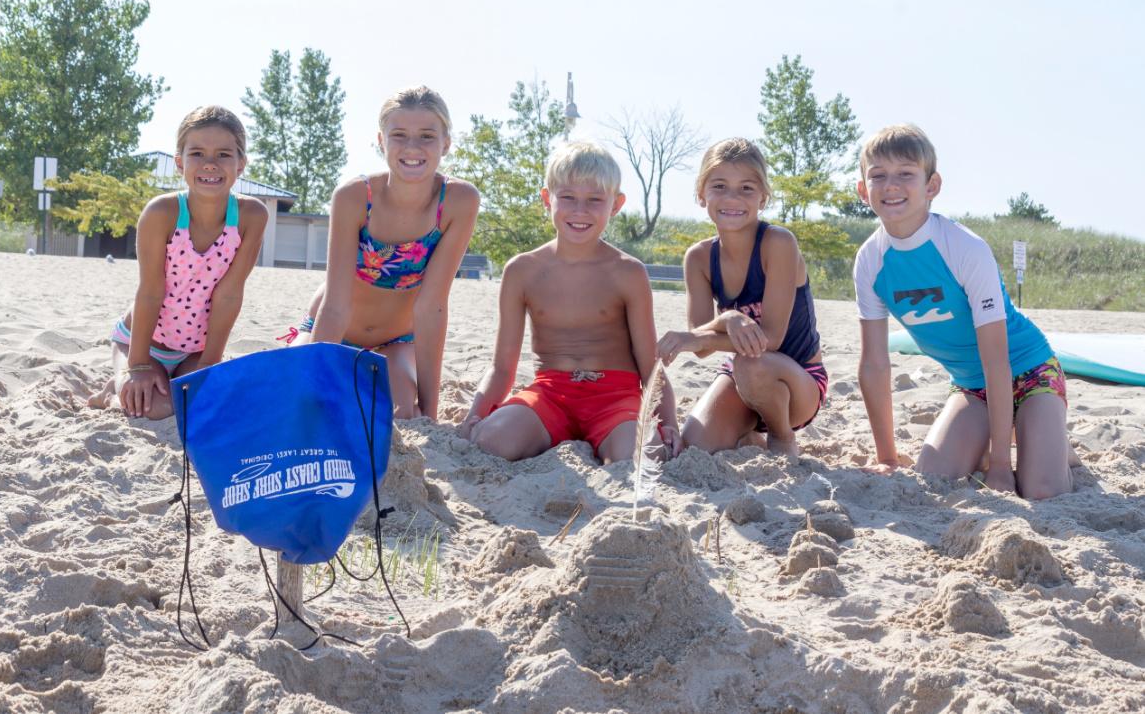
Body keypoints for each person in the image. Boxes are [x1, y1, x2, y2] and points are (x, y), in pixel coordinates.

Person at [853, 124, 1071, 499]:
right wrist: (887, 456)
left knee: (1041, 490)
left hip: (1030, 371)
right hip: (973, 387)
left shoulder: (964, 248)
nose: (891, 185)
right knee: (933, 479)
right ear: (862, 190)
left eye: (906, 174)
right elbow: (874, 363)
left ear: (931, 186)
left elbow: (997, 359)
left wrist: (1001, 467)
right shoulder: (870, 261)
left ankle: (1050, 441)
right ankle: (1020, 433)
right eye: (878, 176)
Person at [457, 142, 679, 463]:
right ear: (548, 198)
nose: (580, 211)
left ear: (615, 205)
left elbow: (650, 367)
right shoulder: (522, 270)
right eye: (568, 198)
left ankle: (614, 439)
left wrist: (668, 422)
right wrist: (474, 416)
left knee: (641, 457)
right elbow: (502, 366)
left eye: (594, 200)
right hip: (550, 394)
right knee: (491, 441)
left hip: (616, 397)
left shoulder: (628, 272)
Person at [288, 86, 479, 419]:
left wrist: (430, 413)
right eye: (399, 135)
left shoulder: (458, 202)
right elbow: (335, 304)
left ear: (446, 143)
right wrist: (314, 386)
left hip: (398, 340)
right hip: (337, 326)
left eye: (427, 136)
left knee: (399, 412)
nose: (412, 147)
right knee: (301, 392)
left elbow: (431, 307)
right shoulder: (355, 196)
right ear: (381, 141)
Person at [88, 105, 268, 419]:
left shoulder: (251, 216)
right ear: (179, 162)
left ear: (241, 164)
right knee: (156, 409)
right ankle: (113, 390)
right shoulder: (163, 213)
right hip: (143, 343)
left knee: (200, 406)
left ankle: (138, 384)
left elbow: (229, 295)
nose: (210, 164)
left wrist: (209, 364)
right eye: (197, 153)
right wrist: (139, 365)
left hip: (195, 350)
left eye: (224, 155)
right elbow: (150, 291)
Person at [658, 138, 826, 457]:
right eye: (719, 186)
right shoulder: (698, 258)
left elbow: (772, 340)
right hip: (741, 379)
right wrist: (725, 320)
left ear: (763, 198)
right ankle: (749, 436)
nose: (732, 198)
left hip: (798, 383)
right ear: (701, 194)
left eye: (746, 188)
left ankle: (781, 437)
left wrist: (714, 329)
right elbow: (701, 343)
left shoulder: (778, 243)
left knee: (751, 362)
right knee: (696, 447)